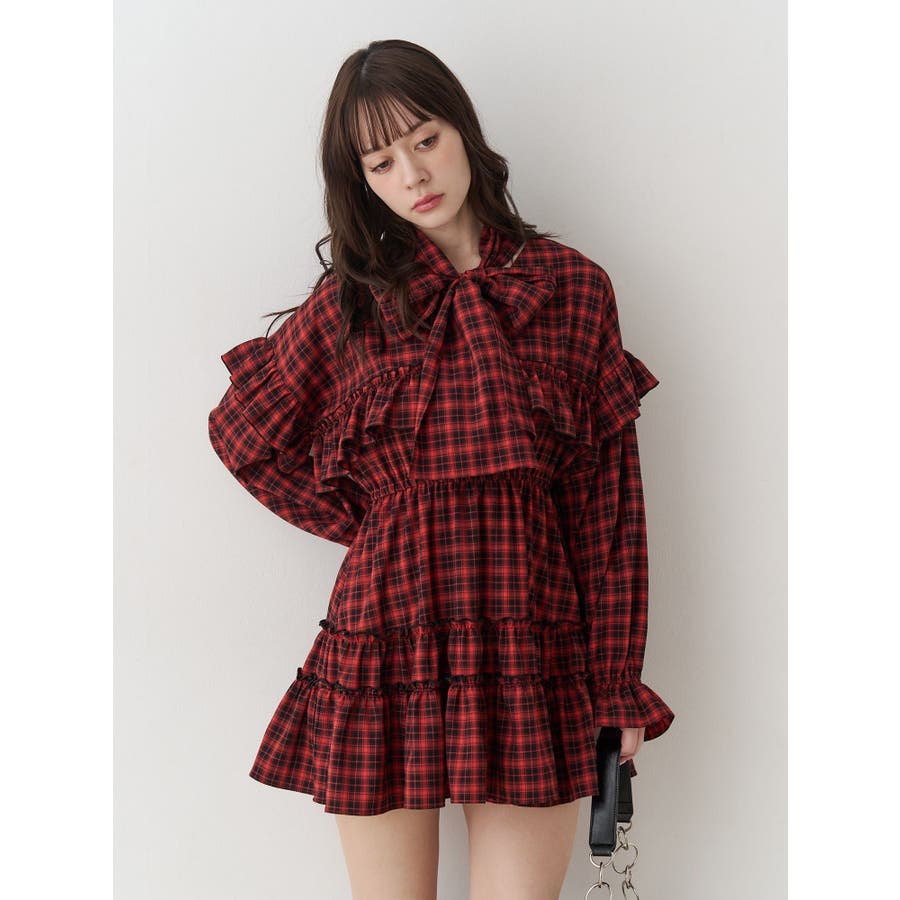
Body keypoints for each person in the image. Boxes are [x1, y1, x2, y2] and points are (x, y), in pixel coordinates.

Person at [207, 38, 674, 900]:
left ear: (463, 131)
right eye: (381, 162)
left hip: (533, 646)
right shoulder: (352, 305)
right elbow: (244, 435)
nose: (413, 175)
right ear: (361, 182)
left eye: (425, 140)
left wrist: (615, 688)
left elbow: (609, 512)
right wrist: (376, 520)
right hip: (386, 642)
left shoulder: (572, 289)